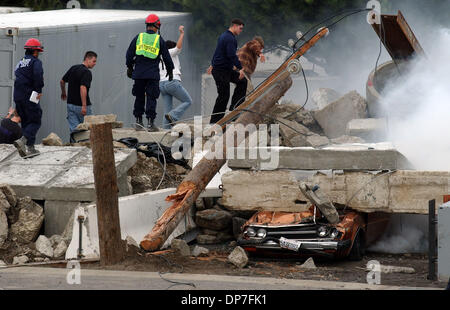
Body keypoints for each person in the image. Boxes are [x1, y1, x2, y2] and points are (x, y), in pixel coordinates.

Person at [126, 13, 174, 132]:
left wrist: (130, 67)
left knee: (139, 97)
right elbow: (167, 57)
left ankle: (138, 122)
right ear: (157, 26)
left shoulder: (139, 37)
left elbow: (129, 54)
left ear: (147, 25)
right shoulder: (159, 39)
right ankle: (150, 124)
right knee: (151, 97)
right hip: (152, 75)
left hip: (139, 74)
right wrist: (170, 70)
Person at [208, 18, 247, 124]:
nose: (241, 31)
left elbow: (218, 52)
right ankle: (215, 121)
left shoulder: (225, 36)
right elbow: (231, 55)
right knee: (223, 95)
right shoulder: (229, 38)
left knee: (242, 82)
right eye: (240, 28)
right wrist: (240, 69)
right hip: (220, 71)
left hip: (226, 70)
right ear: (234, 26)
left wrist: (212, 64)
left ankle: (235, 110)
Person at [13, 38, 44, 156]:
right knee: (36, 119)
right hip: (29, 95)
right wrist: (38, 90)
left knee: (26, 120)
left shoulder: (20, 62)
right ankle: (23, 140)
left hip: (18, 96)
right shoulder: (36, 62)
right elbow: (38, 75)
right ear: (35, 51)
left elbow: (18, 76)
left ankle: (30, 148)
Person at [159, 25, 192, 129]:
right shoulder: (169, 52)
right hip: (171, 82)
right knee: (187, 101)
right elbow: (178, 47)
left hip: (161, 85)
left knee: (167, 110)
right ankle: (174, 116)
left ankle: (165, 131)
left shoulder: (158, 56)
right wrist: (182, 34)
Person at [60, 51, 97, 141]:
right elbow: (83, 88)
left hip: (70, 105)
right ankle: (88, 150)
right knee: (89, 130)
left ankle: (74, 148)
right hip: (82, 107)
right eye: (94, 61)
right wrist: (84, 106)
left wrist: (64, 93)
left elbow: (62, 81)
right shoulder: (86, 72)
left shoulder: (73, 68)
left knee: (74, 131)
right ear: (87, 59)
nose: (95, 64)